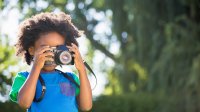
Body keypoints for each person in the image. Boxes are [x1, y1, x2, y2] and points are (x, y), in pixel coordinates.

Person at [9, 12, 92, 112]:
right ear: (31, 50)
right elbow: (24, 103)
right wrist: (36, 67)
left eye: (58, 49)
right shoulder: (24, 78)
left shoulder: (71, 79)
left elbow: (86, 106)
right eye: (46, 49)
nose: (52, 54)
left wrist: (82, 69)